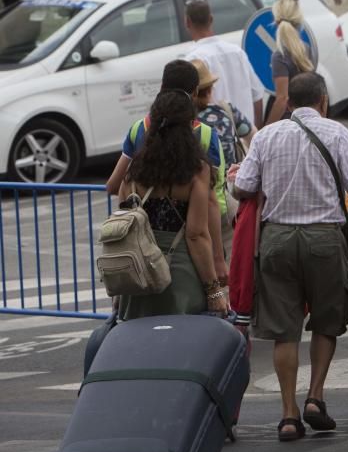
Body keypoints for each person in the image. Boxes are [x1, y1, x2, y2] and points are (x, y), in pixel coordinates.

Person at [233, 72, 348, 442]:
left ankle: (288, 414)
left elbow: (241, 186)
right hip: (324, 239)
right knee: (327, 319)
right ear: (323, 100)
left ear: (289, 103)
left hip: (277, 239)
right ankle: (315, 395)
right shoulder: (337, 133)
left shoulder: (266, 135)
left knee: (284, 329)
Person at [106, 60, 229, 284]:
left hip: (141, 255)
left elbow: (113, 186)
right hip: (187, 254)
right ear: (194, 93)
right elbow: (213, 203)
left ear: (162, 87)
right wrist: (218, 261)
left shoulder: (138, 129)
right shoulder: (206, 135)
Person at [117, 89, 226, 320]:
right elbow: (196, 235)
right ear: (190, 123)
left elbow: (123, 227)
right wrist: (214, 290)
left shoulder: (134, 170)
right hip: (180, 273)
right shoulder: (196, 171)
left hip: (138, 275)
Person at [184, 0, 265, 127]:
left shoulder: (193, 60)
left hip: (216, 141)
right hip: (246, 139)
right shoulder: (237, 52)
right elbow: (257, 95)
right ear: (211, 19)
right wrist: (256, 133)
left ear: (187, 22)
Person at [190, 59, 255, 170]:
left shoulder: (184, 120)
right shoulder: (226, 109)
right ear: (210, 90)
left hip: (203, 185)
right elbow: (253, 136)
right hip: (231, 183)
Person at [265, 0, 317, 126]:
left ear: (276, 22)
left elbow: (282, 99)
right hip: (308, 120)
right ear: (299, 21)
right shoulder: (306, 49)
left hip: (287, 123)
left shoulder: (279, 55)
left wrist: (265, 129)